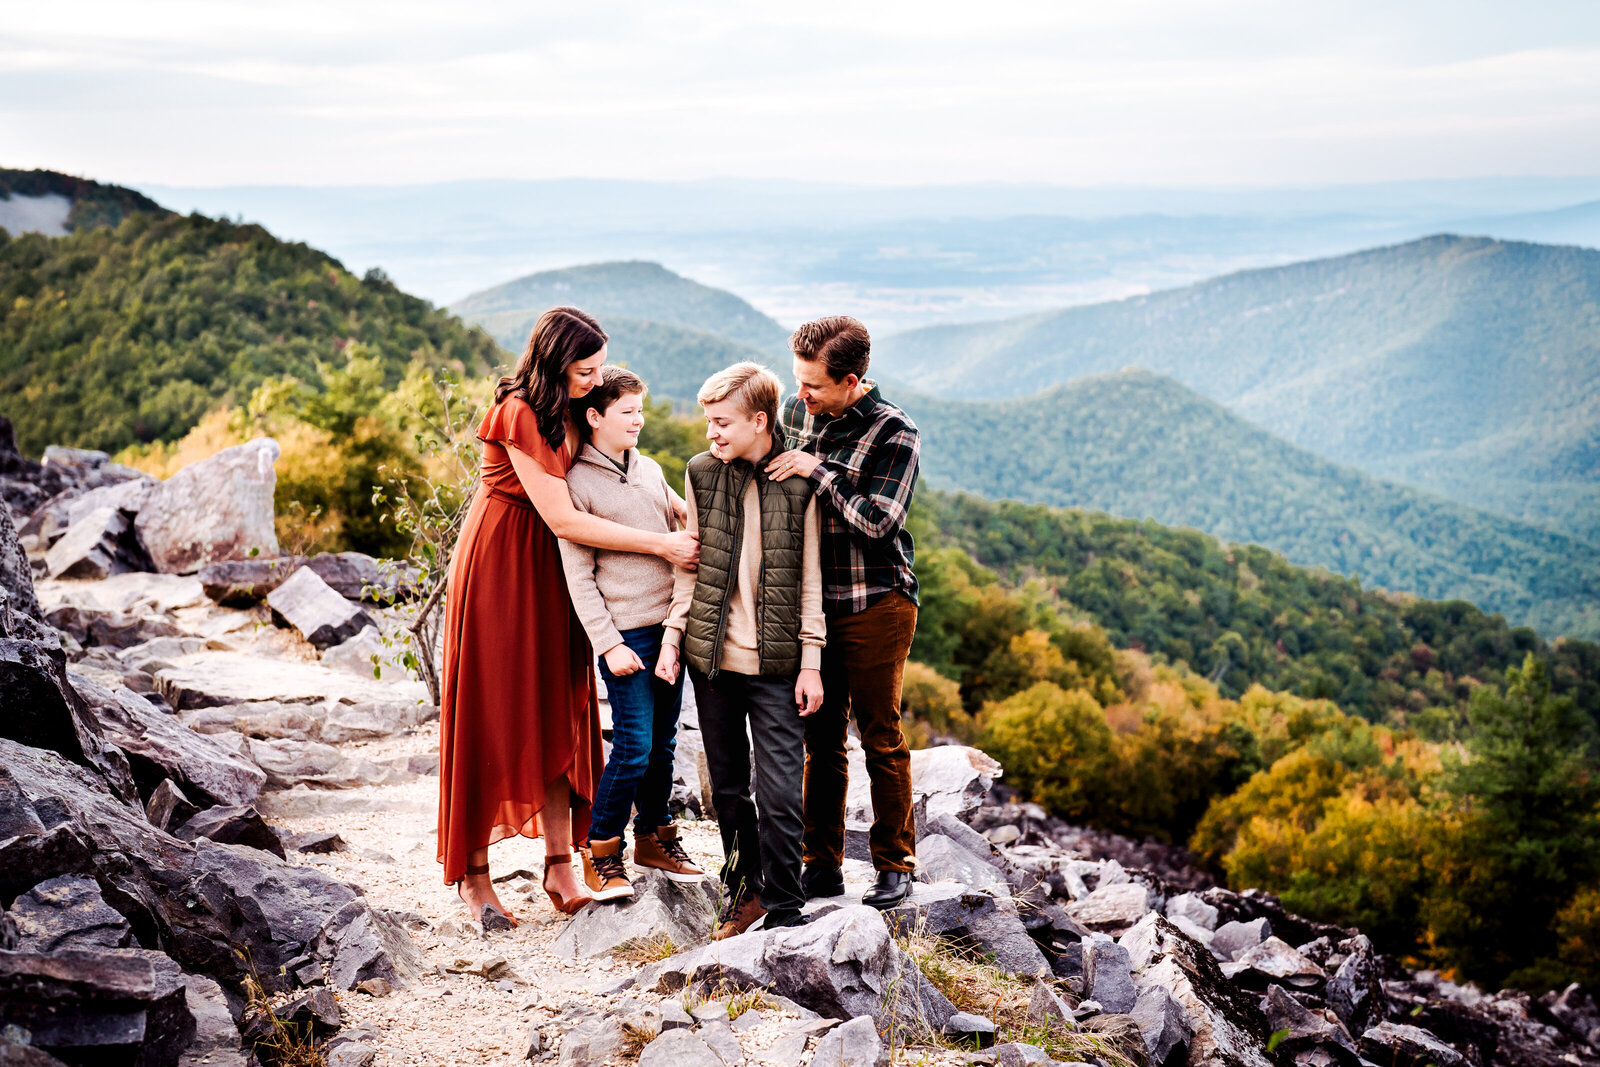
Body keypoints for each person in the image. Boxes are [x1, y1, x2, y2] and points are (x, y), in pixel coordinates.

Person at [437, 307, 699, 924]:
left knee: (563, 707)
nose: (594, 379)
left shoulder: (571, 410)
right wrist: (661, 545)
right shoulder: (518, 413)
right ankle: (475, 876)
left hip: (562, 571)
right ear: (555, 363)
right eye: (585, 370)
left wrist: (676, 507)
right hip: (506, 561)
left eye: (600, 368)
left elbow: (616, 471)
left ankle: (560, 866)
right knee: (495, 709)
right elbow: (562, 517)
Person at [656, 362, 826, 939]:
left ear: (760, 420)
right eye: (708, 423)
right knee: (726, 790)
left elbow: (811, 582)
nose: (711, 435)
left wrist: (811, 662)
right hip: (713, 664)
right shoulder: (702, 474)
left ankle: (786, 910)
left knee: (778, 792)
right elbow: (692, 566)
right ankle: (742, 893)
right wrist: (675, 637)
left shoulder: (800, 482)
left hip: (778, 666)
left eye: (722, 422)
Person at [767, 316, 922, 910]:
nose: (800, 396)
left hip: (875, 601)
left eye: (813, 387)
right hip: (811, 606)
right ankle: (820, 865)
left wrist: (819, 471)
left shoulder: (895, 432)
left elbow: (880, 523)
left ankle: (894, 864)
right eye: (798, 382)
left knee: (881, 735)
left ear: (851, 380)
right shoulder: (796, 413)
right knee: (820, 738)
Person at [558, 366, 706, 901]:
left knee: (664, 744)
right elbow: (579, 576)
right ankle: (601, 849)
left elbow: (683, 516)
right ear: (594, 417)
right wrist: (608, 643)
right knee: (635, 746)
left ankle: (655, 838)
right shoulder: (576, 483)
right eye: (628, 412)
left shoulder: (649, 468)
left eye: (641, 410)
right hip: (626, 637)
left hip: (670, 628)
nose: (639, 420)